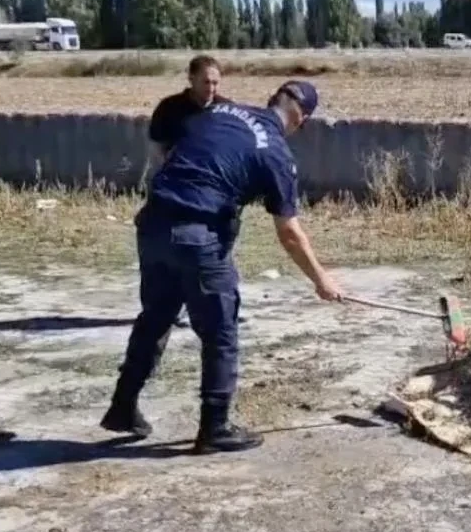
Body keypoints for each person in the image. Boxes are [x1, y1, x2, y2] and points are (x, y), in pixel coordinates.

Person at [100, 80, 344, 454]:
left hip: (153, 225)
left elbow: (172, 150)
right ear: (302, 119)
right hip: (198, 236)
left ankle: (122, 406)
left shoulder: (219, 112)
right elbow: (289, 232)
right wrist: (321, 279)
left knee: (156, 316)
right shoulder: (275, 151)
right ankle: (215, 428)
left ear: (272, 98)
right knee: (220, 332)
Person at [148, 54, 231, 331]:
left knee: (216, 250)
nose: (211, 88)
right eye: (206, 81)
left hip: (214, 195)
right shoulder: (170, 109)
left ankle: (214, 306)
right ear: (191, 78)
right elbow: (157, 149)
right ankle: (166, 309)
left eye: (216, 82)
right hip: (176, 193)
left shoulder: (226, 110)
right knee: (174, 253)